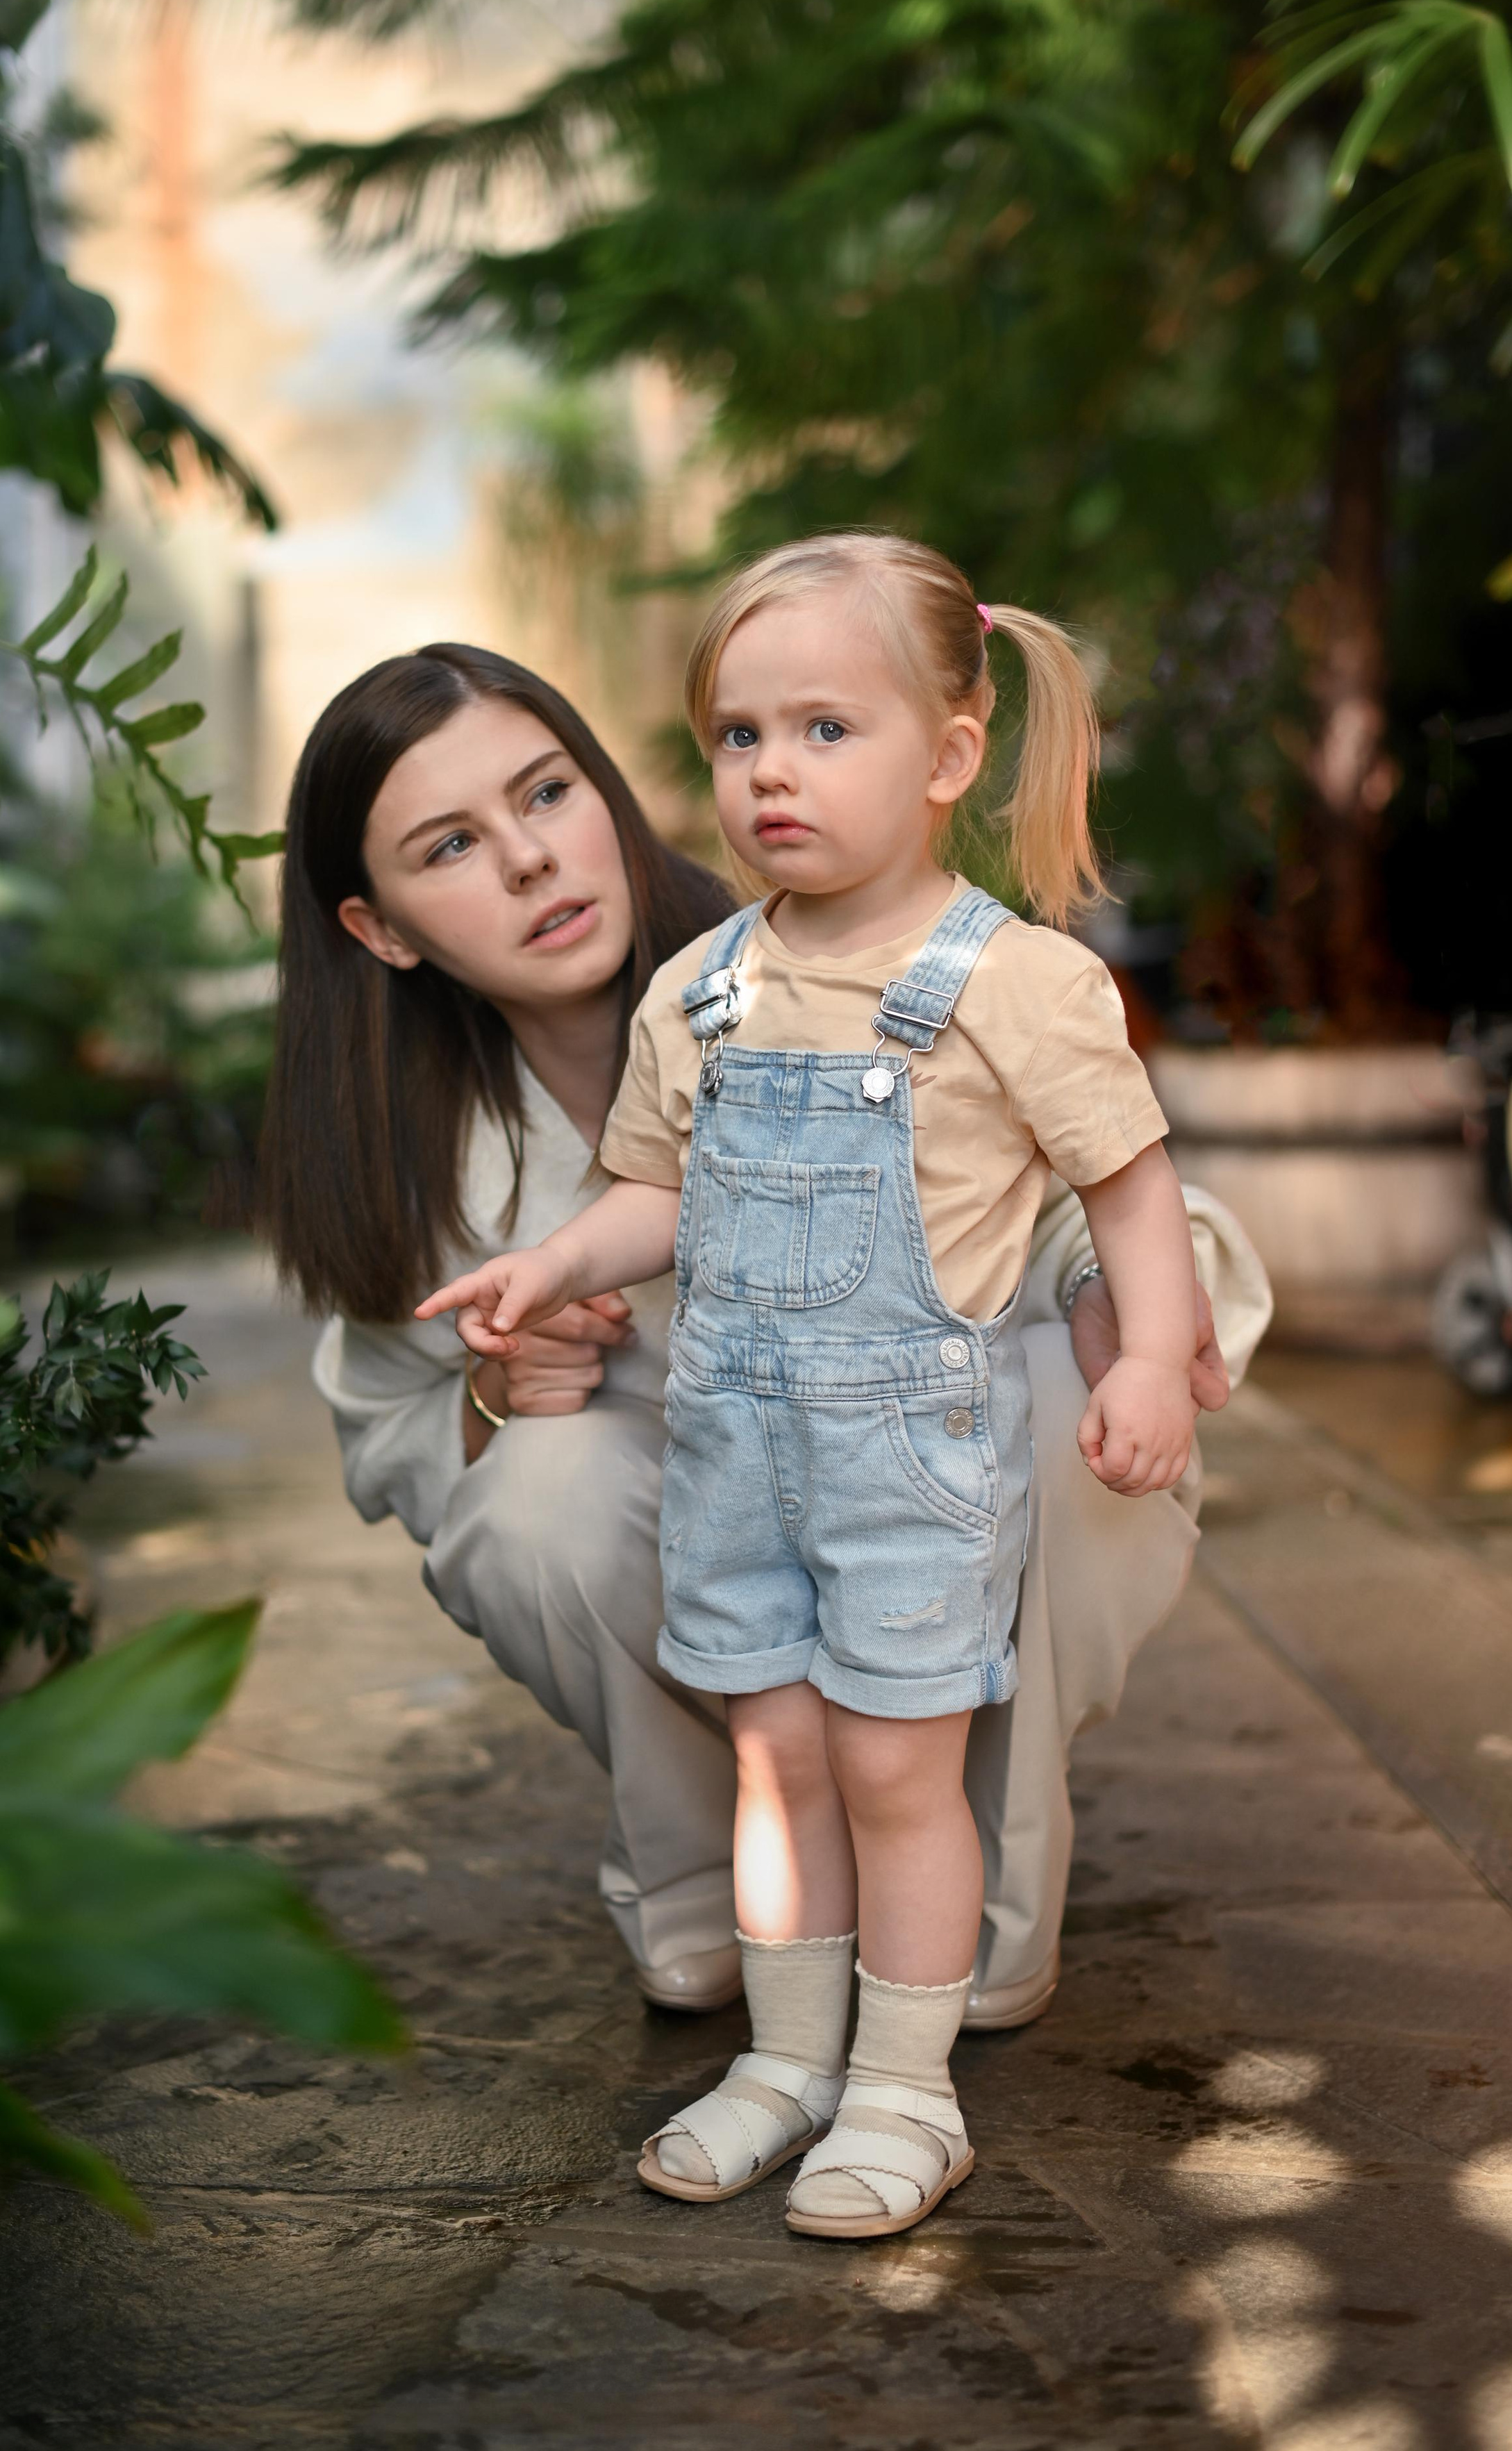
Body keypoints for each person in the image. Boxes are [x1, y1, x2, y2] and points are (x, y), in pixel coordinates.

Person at [419, 534, 1262, 2242]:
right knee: (772, 1763)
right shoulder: (702, 986)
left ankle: (904, 2090)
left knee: (893, 1774)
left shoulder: (1014, 980)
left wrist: (1156, 1355)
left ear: (949, 755)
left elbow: (1124, 1182)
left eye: (823, 729)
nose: (769, 774)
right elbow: (658, 1197)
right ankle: (787, 2062)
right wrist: (555, 1266)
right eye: (738, 737)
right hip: (740, 1456)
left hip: (909, 1460)